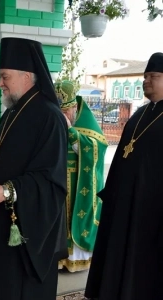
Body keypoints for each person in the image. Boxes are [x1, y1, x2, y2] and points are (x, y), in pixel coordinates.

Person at [0, 37, 68, 300]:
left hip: (26, 229)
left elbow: (51, 180)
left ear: (27, 75)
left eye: (5, 77)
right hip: (0, 220)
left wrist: (5, 192)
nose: (0, 83)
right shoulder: (11, 112)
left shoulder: (50, 117)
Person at [85, 53, 163, 300]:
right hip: (122, 204)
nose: (147, 81)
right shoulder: (138, 115)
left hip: (151, 211)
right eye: (145, 76)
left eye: (154, 76)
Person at [54, 80, 107, 273]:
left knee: (74, 218)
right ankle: (58, 258)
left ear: (74, 107)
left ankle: (75, 260)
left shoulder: (86, 119)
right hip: (58, 179)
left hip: (79, 181)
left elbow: (98, 147)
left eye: (66, 112)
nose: (64, 117)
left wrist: (72, 132)